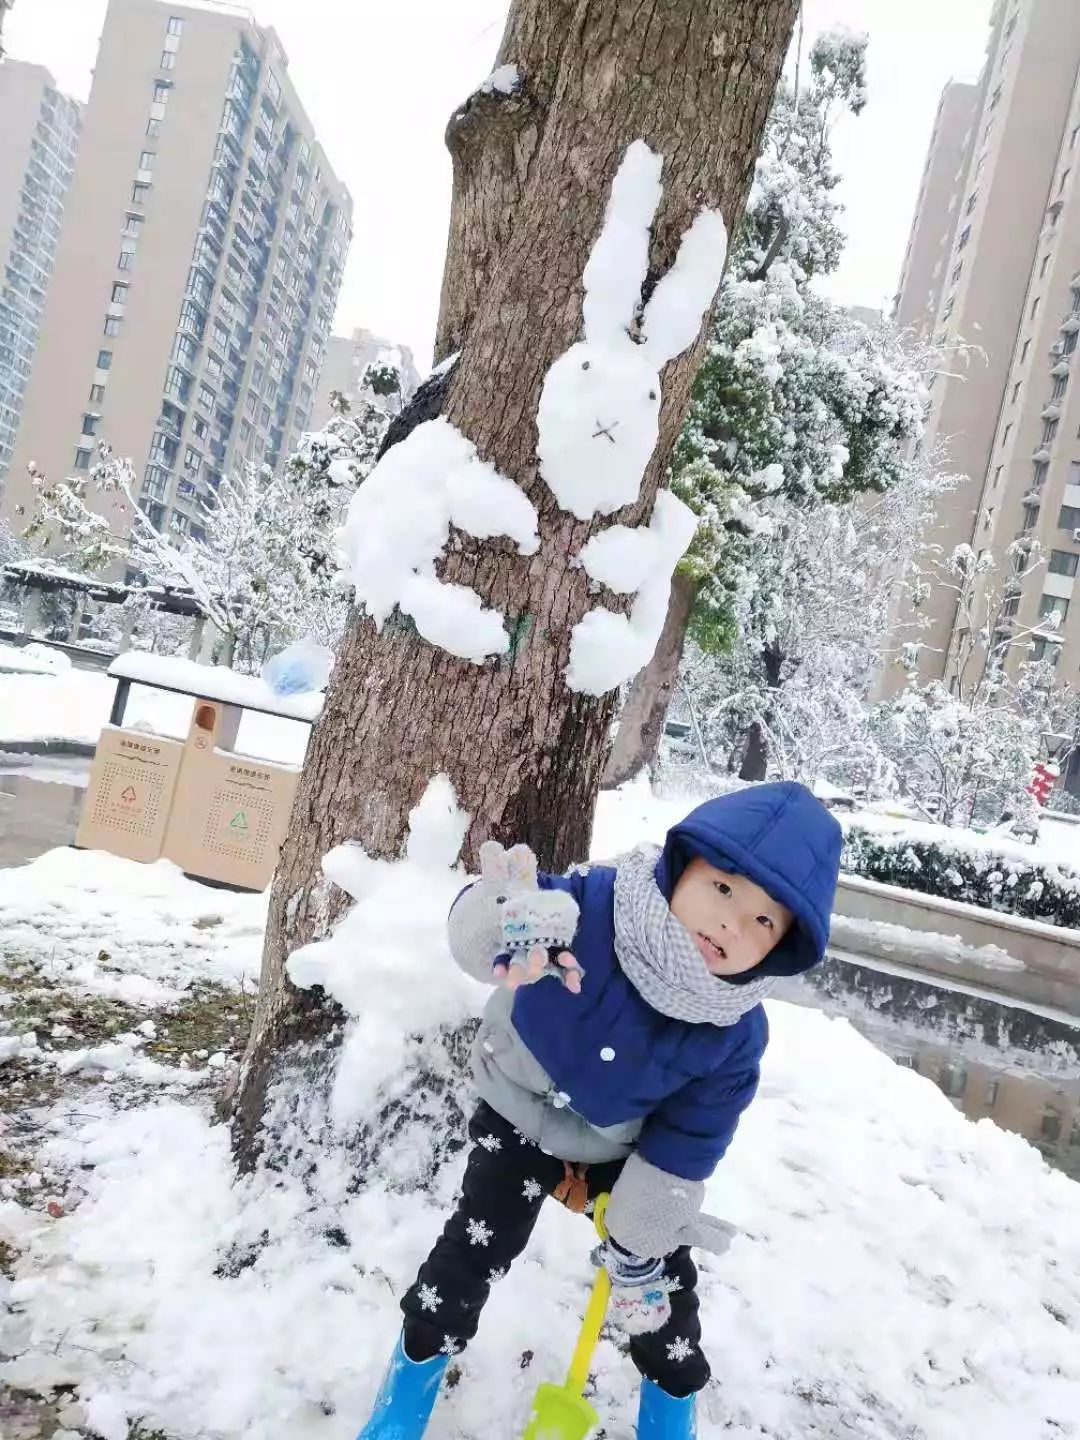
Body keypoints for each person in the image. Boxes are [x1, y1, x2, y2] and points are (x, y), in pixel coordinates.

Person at [358, 781, 842, 1440]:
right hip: (520, 1110)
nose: (731, 922)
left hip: (621, 1151)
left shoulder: (734, 1032)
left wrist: (650, 1215)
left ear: (782, 945)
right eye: (723, 889)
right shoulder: (596, 905)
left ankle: (670, 1408)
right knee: (475, 1246)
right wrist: (505, 921)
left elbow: (696, 1129)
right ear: (682, 868)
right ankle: (408, 1385)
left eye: (764, 920)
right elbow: (512, 912)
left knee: (657, 1282)